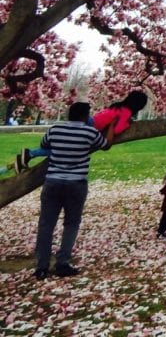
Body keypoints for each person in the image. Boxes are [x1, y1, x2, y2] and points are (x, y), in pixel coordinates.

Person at [33, 101, 110, 279]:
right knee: (71, 223)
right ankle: (63, 262)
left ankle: (42, 266)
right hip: (76, 183)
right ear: (85, 116)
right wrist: (112, 126)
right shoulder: (90, 132)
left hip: (52, 181)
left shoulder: (55, 130)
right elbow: (105, 145)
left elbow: (44, 145)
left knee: (46, 225)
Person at [16, 90, 147, 173]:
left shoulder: (119, 106)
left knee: (62, 146)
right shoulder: (126, 112)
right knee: (65, 149)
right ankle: (30, 153)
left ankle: (30, 154)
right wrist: (124, 125)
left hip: (91, 121)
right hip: (90, 126)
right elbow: (117, 129)